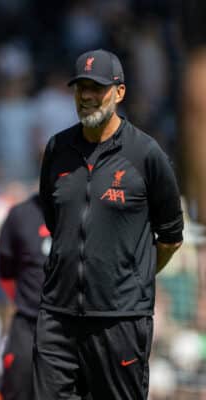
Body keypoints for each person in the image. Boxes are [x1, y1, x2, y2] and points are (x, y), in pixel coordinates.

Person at [35, 49, 184, 400]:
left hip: (119, 320)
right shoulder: (57, 149)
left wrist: (131, 278)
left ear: (119, 92)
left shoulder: (146, 154)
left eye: (96, 88)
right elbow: (56, 221)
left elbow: (171, 237)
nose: (86, 96)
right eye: (80, 87)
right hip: (58, 316)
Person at [0, 193, 49, 400]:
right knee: (17, 388)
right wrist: (29, 304)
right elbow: (6, 276)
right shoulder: (21, 215)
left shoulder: (87, 210)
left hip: (73, 326)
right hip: (28, 325)